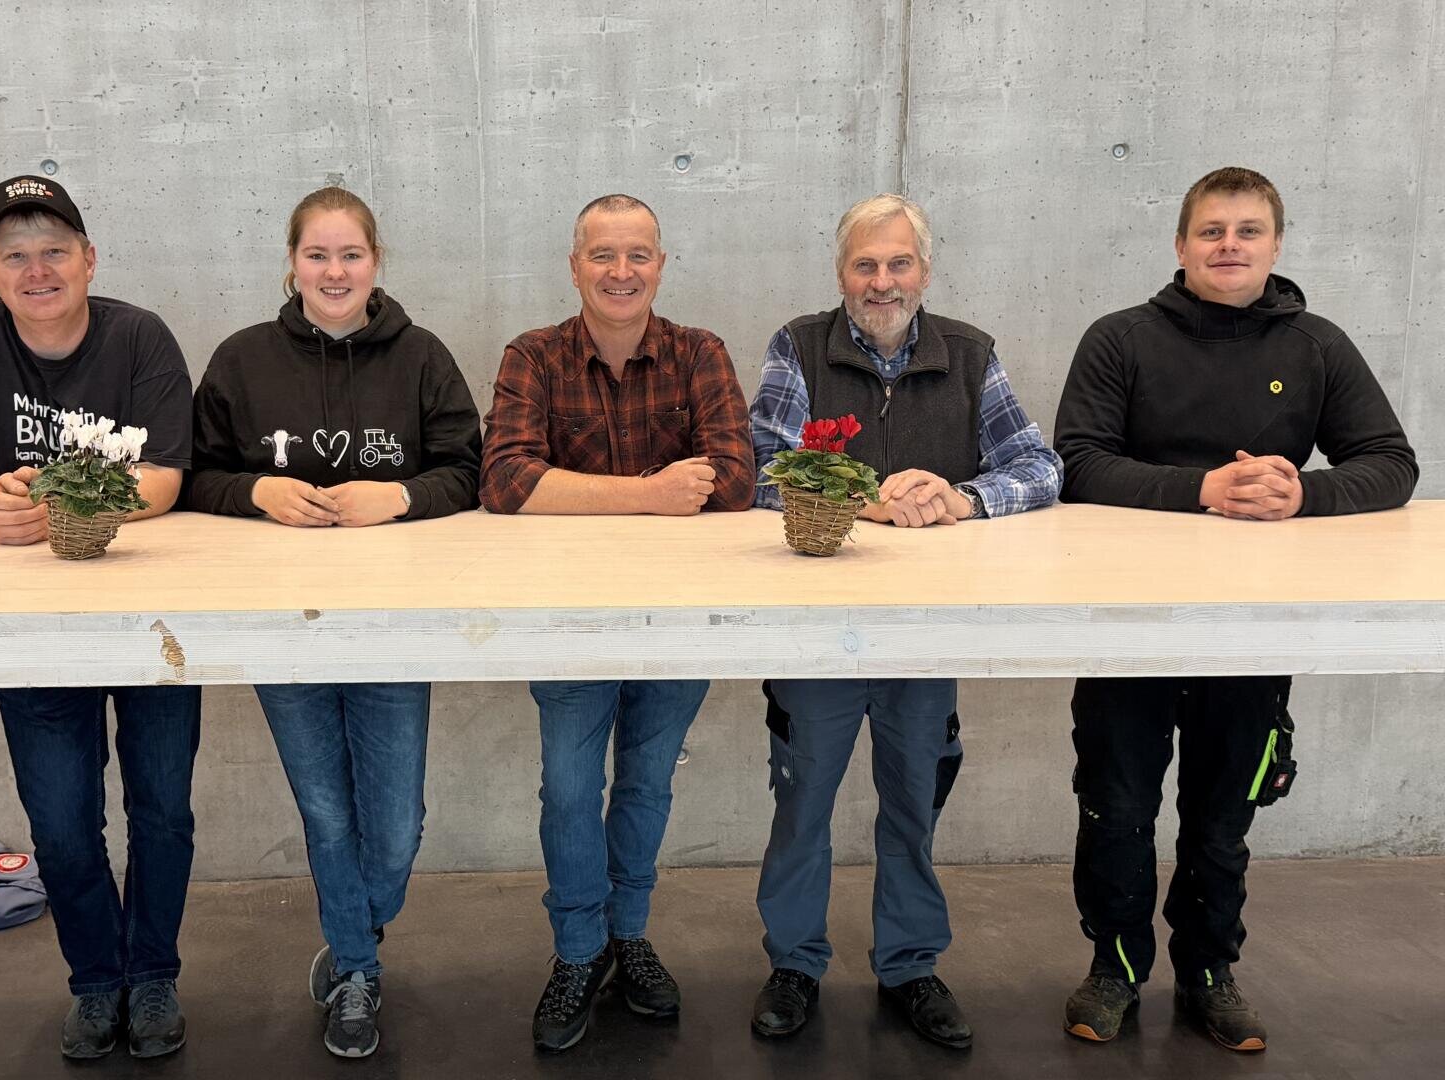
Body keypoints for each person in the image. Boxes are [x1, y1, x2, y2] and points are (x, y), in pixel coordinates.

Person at [1054, 166, 1418, 1052]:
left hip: (1255, 621)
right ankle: (1115, 969)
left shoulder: (1317, 346)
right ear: (1180, 245)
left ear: (1275, 244)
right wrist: (1204, 489)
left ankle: (1210, 974)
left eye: (1248, 231)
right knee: (1117, 805)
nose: (1229, 245)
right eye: (1211, 231)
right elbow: (1077, 462)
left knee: (1222, 816)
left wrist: (1304, 495)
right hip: (1127, 618)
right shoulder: (1119, 339)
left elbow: (1390, 462)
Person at [745, 193, 1062, 1050]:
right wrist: (867, 499)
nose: (881, 282)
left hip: (928, 632)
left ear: (924, 270)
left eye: (898, 263)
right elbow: (762, 468)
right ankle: (794, 964)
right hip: (815, 631)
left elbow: (1040, 466)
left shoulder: (970, 353)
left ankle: (910, 965)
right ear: (840, 273)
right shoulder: (798, 346)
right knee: (803, 804)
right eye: (865, 265)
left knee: (914, 805)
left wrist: (962, 497)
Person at [183, 185, 481, 1058]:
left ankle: (357, 925)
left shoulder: (422, 357)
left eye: (351, 254)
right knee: (323, 809)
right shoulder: (242, 360)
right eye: (317, 254)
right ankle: (357, 966)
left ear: (376, 263)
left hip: (395, 621)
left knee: (395, 826)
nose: (335, 271)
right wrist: (256, 491)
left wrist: (400, 496)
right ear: (292, 264)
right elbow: (192, 476)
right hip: (282, 623)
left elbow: (470, 469)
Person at [0, 175, 200, 1062]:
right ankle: (95, 982)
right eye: (16, 255)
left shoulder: (140, 336)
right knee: (65, 824)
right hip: (29, 624)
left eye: (54, 251)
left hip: (151, 617)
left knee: (162, 811)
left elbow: (165, 478)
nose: (37, 271)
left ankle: (153, 975)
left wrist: (72, 502)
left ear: (89, 258)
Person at [479, 193, 755, 1052]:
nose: (621, 271)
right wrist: (650, 493)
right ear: (575, 267)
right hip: (569, 620)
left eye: (638, 254)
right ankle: (577, 949)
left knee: (646, 781)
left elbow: (736, 479)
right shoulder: (533, 356)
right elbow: (506, 481)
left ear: (660, 266)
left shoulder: (700, 352)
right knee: (569, 787)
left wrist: (578, 492)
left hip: (681, 618)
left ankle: (627, 935)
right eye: (603, 254)